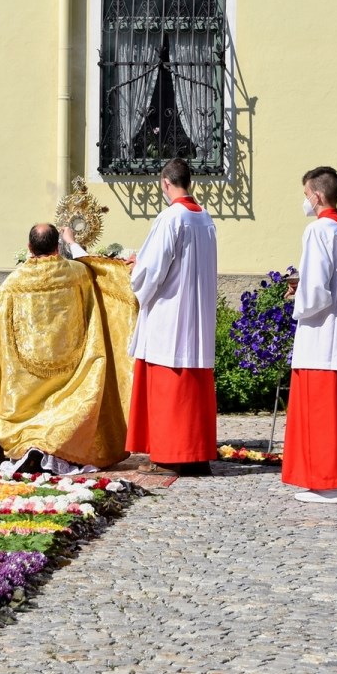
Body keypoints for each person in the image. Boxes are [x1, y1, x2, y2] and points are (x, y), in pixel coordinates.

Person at [0, 223, 135, 471]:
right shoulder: (79, 274)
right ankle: (57, 445)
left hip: (25, 384)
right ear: (57, 246)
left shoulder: (12, 284)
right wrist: (77, 244)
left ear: (29, 248)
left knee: (23, 400)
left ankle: (27, 444)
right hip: (72, 376)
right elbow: (106, 281)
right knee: (71, 403)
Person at [281, 166, 337, 504]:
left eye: (306, 195)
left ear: (317, 196)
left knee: (322, 411)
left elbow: (317, 291)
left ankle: (328, 484)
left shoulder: (318, 231)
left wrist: (296, 300)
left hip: (323, 339)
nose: (305, 201)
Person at [125, 158, 218, 477]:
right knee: (191, 391)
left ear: (166, 183)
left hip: (171, 314)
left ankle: (169, 456)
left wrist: (136, 270)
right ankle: (196, 454)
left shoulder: (170, 218)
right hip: (197, 313)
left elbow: (152, 270)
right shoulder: (205, 218)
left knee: (169, 388)